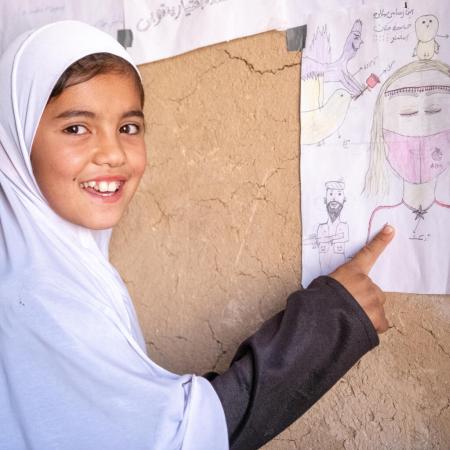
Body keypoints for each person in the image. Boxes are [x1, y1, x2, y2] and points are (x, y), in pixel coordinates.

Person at [0, 21, 394, 450]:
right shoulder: (35, 294)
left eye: (128, 127)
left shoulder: (63, 262)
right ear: (16, 139)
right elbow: (170, 438)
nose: (113, 153)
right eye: (77, 128)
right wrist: (333, 320)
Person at [364, 59, 450, 294]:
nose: (420, 134)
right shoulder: (381, 218)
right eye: (407, 113)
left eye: (435, 111)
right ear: (381, 133)